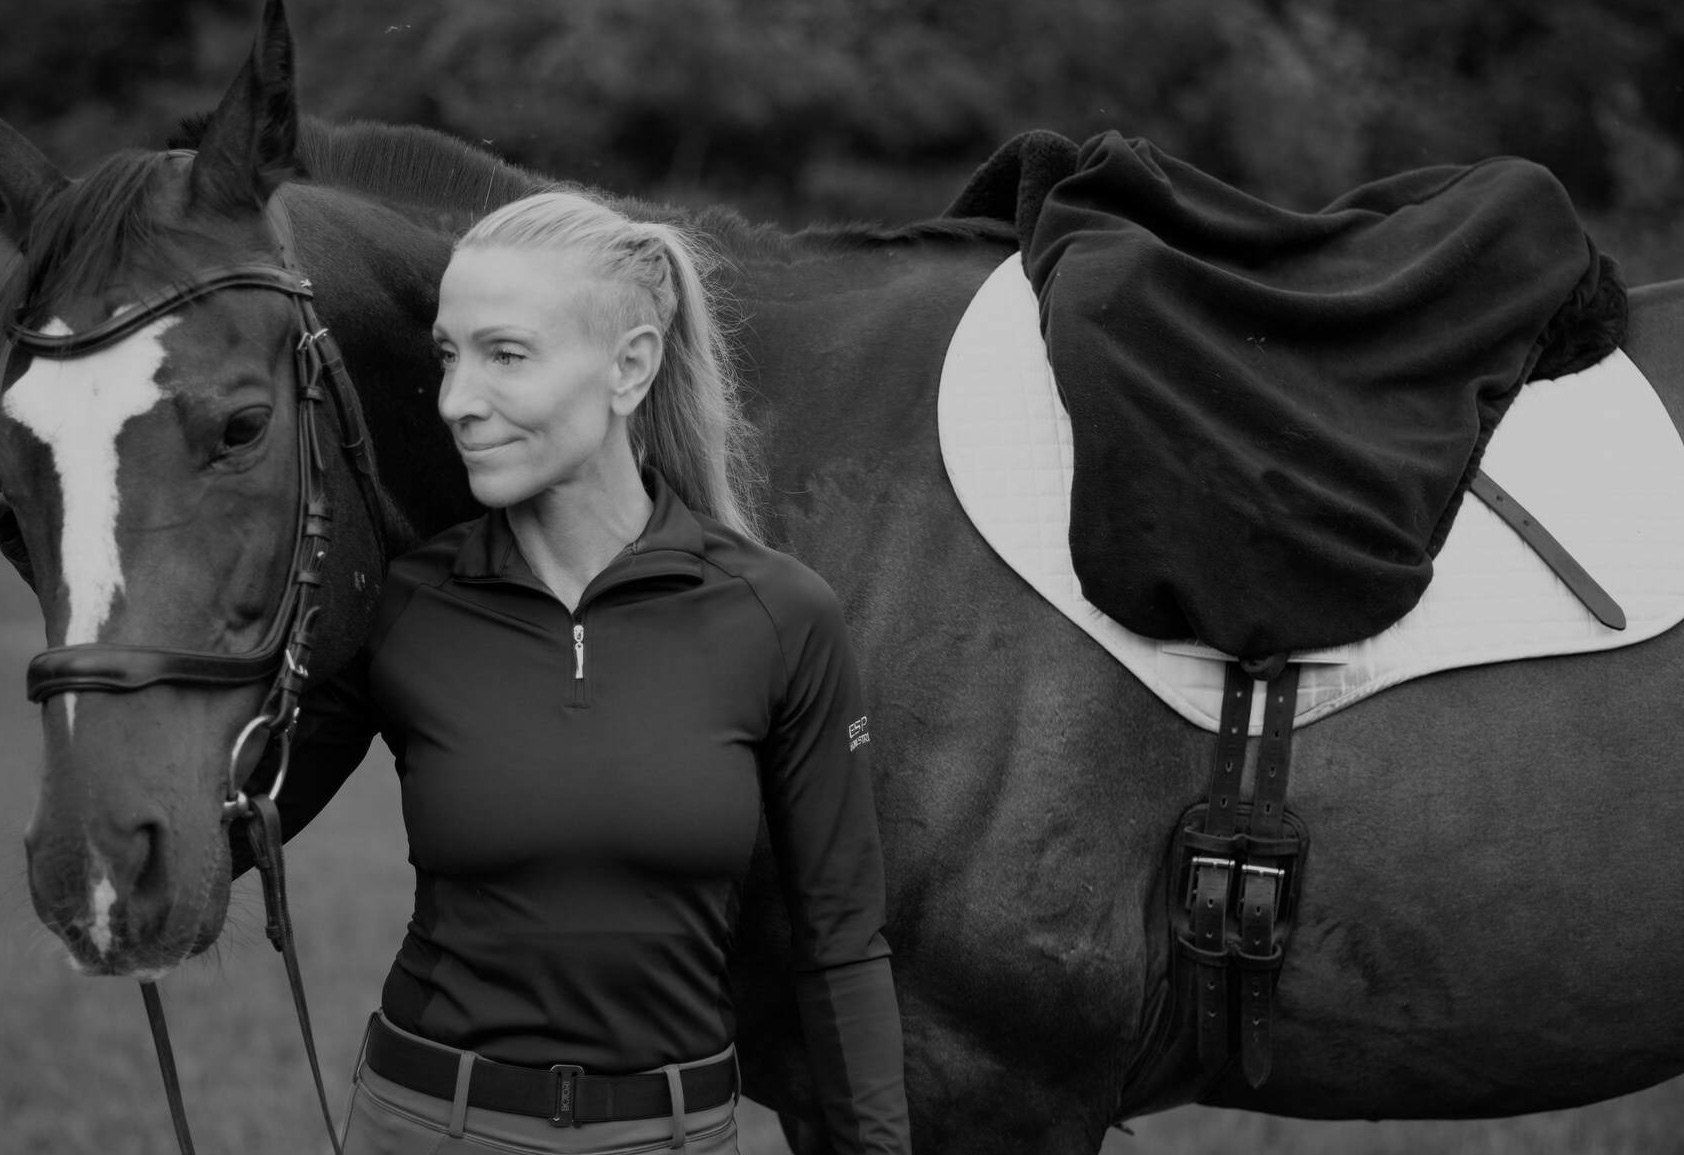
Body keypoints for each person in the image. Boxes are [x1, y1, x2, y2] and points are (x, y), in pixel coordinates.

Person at [245, 189, 911, 1154]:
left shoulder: (780, 615)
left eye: (505, 354)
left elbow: (844, 943)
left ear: (630, 365)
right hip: (428, 1124)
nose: (456, 400)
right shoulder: (404, 603)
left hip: (675, 1135)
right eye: (447, 355)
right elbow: (234, 823)